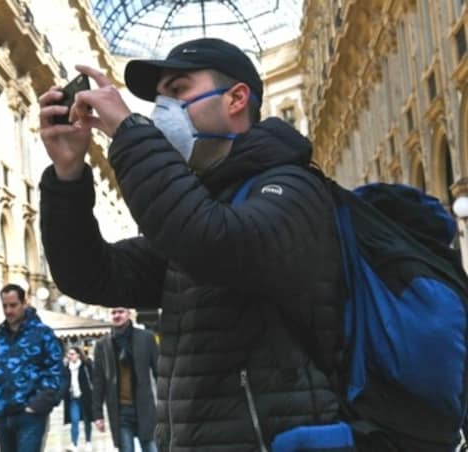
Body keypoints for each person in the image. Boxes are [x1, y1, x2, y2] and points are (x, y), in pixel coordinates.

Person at [37, 37, 348, 450]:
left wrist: (130, 134)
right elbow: (91, 275)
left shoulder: (292, 188)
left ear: (236, 98)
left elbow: (212, 241)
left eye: (178, 90)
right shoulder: (201, 209)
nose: (163, 109)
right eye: (160, 98)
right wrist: (68, 175)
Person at [0, 283, 64, 452]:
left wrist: (39, 403)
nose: (8, 310)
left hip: (30, 415)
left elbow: (56, 371)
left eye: (13, 305)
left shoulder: (42, 334)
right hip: (3, 414)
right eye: (5, 306)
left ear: (24, 303)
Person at [91, 309, 157, 452]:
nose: (117, 316)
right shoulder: (103, 344)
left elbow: (159, 373)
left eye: (120, 311)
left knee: (151, 447)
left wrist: (165, 407)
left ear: (129, 314)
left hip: (144, 407)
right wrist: (97, 414)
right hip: (119, 410)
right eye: (113, 313)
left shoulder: (146, 338)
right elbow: (98, 381)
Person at [62, 346, 94, 452]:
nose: (70, 356)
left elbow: (93, 379)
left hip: (85, 397)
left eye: (72, 354)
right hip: (73, 398)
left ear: (78, 355)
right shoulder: (66, 368)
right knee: (74, 420)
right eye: (69, 354)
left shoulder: (85, 366)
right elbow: (64, 382)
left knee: (87, 420)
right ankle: (74, 444)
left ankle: (88, 442)